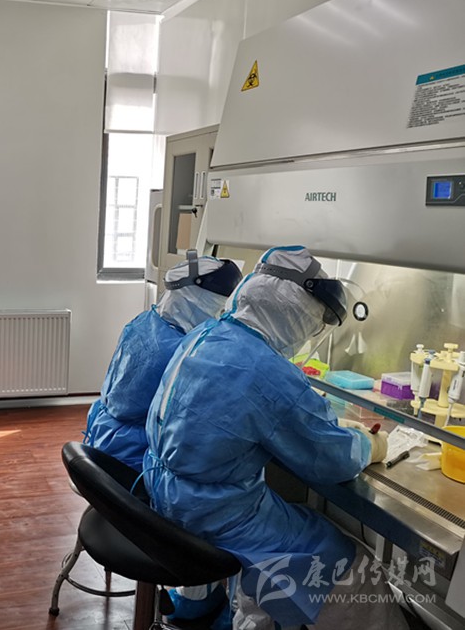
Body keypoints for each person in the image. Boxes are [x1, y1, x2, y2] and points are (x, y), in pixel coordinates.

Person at [143, 246, 407, 630]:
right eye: (312, 321)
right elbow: (332, 459)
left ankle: (252, 615)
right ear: (295, 312)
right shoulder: (266, 369)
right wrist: (371, 444)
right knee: (351, 567)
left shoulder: (207, 334)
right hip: (216, 515)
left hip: (166, 495)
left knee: (285, 527)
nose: (310, 332)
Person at [83, 250, 242, 628]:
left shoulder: (147, 322)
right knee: (215, 496)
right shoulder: (179, 349)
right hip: (132, 464)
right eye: (218, 306)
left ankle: (199, 597)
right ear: (199, 299)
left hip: (102, 443)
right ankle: (210, 602)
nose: (220, 315)